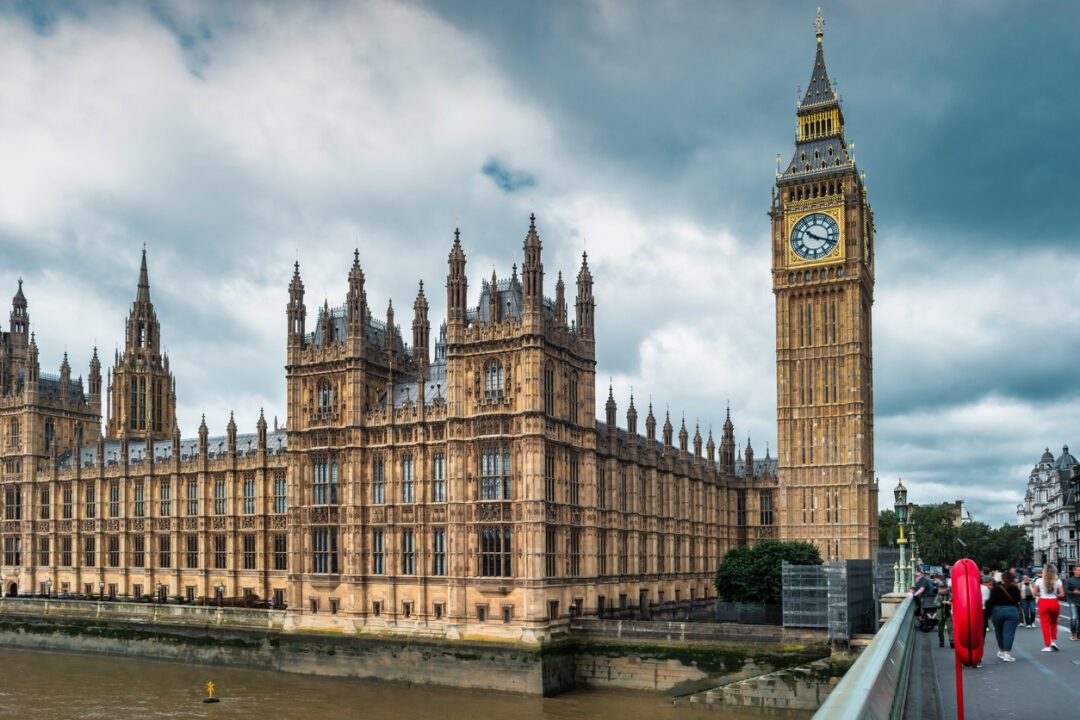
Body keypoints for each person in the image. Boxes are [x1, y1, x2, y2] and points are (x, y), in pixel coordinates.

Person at [985, 571, 1022, 661]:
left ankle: (1001, 650)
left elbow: (991, 602)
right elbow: (1018, 600)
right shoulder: (1015, 588)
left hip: (998, 611)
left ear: (1002, 579)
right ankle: (1007, 654)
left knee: (999, 632)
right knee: (1009, 633)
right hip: (1012, 611)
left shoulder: (996, 589)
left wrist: (987, 614)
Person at [1033, 563, 1065, 651]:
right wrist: (1055, 594)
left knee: (1045, 624)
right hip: (1054, 602)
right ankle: (1053, 642)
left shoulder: (1039, 581)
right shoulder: (1058, 581)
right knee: (1054, 623)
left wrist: (1041, 593)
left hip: (1043, 602)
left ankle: (1047, 645)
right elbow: (1062, 594)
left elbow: (1035, 593)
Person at [935, 577, 953, 648]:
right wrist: (941, 603)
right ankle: (941, 641)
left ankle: (952, 642)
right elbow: (935, 603)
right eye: (941, 588)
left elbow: (954, 602)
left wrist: (950, 603)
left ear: (946, 588)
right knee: (940, 629)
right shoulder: (938, 595)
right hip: (940, 614)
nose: (942, 590)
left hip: (948, 613)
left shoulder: (950, 595)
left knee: (950, 628)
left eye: (943, 588)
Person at [1065, 565, 1080, 641]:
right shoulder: (1069, 580)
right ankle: (1073, 633)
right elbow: (1066, 591)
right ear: (1075, 571)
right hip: (1073, 602)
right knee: (1074, 618)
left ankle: (1079, 634)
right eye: (1078, 570)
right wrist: (1073, 592)